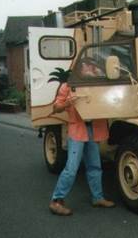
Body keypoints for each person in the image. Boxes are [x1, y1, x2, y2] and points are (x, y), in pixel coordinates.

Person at [49, 61, 115, 216]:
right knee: (71, 169)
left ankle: (97, 197)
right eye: (89, 67)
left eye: (93, 67)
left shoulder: (97, 85)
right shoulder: (68, 86)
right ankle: (56, 201)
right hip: (78, 130)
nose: (92, 69)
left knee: (95, 166)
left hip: (93, 129)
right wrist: (66, 103)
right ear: (80, 70)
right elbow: (55, 108)